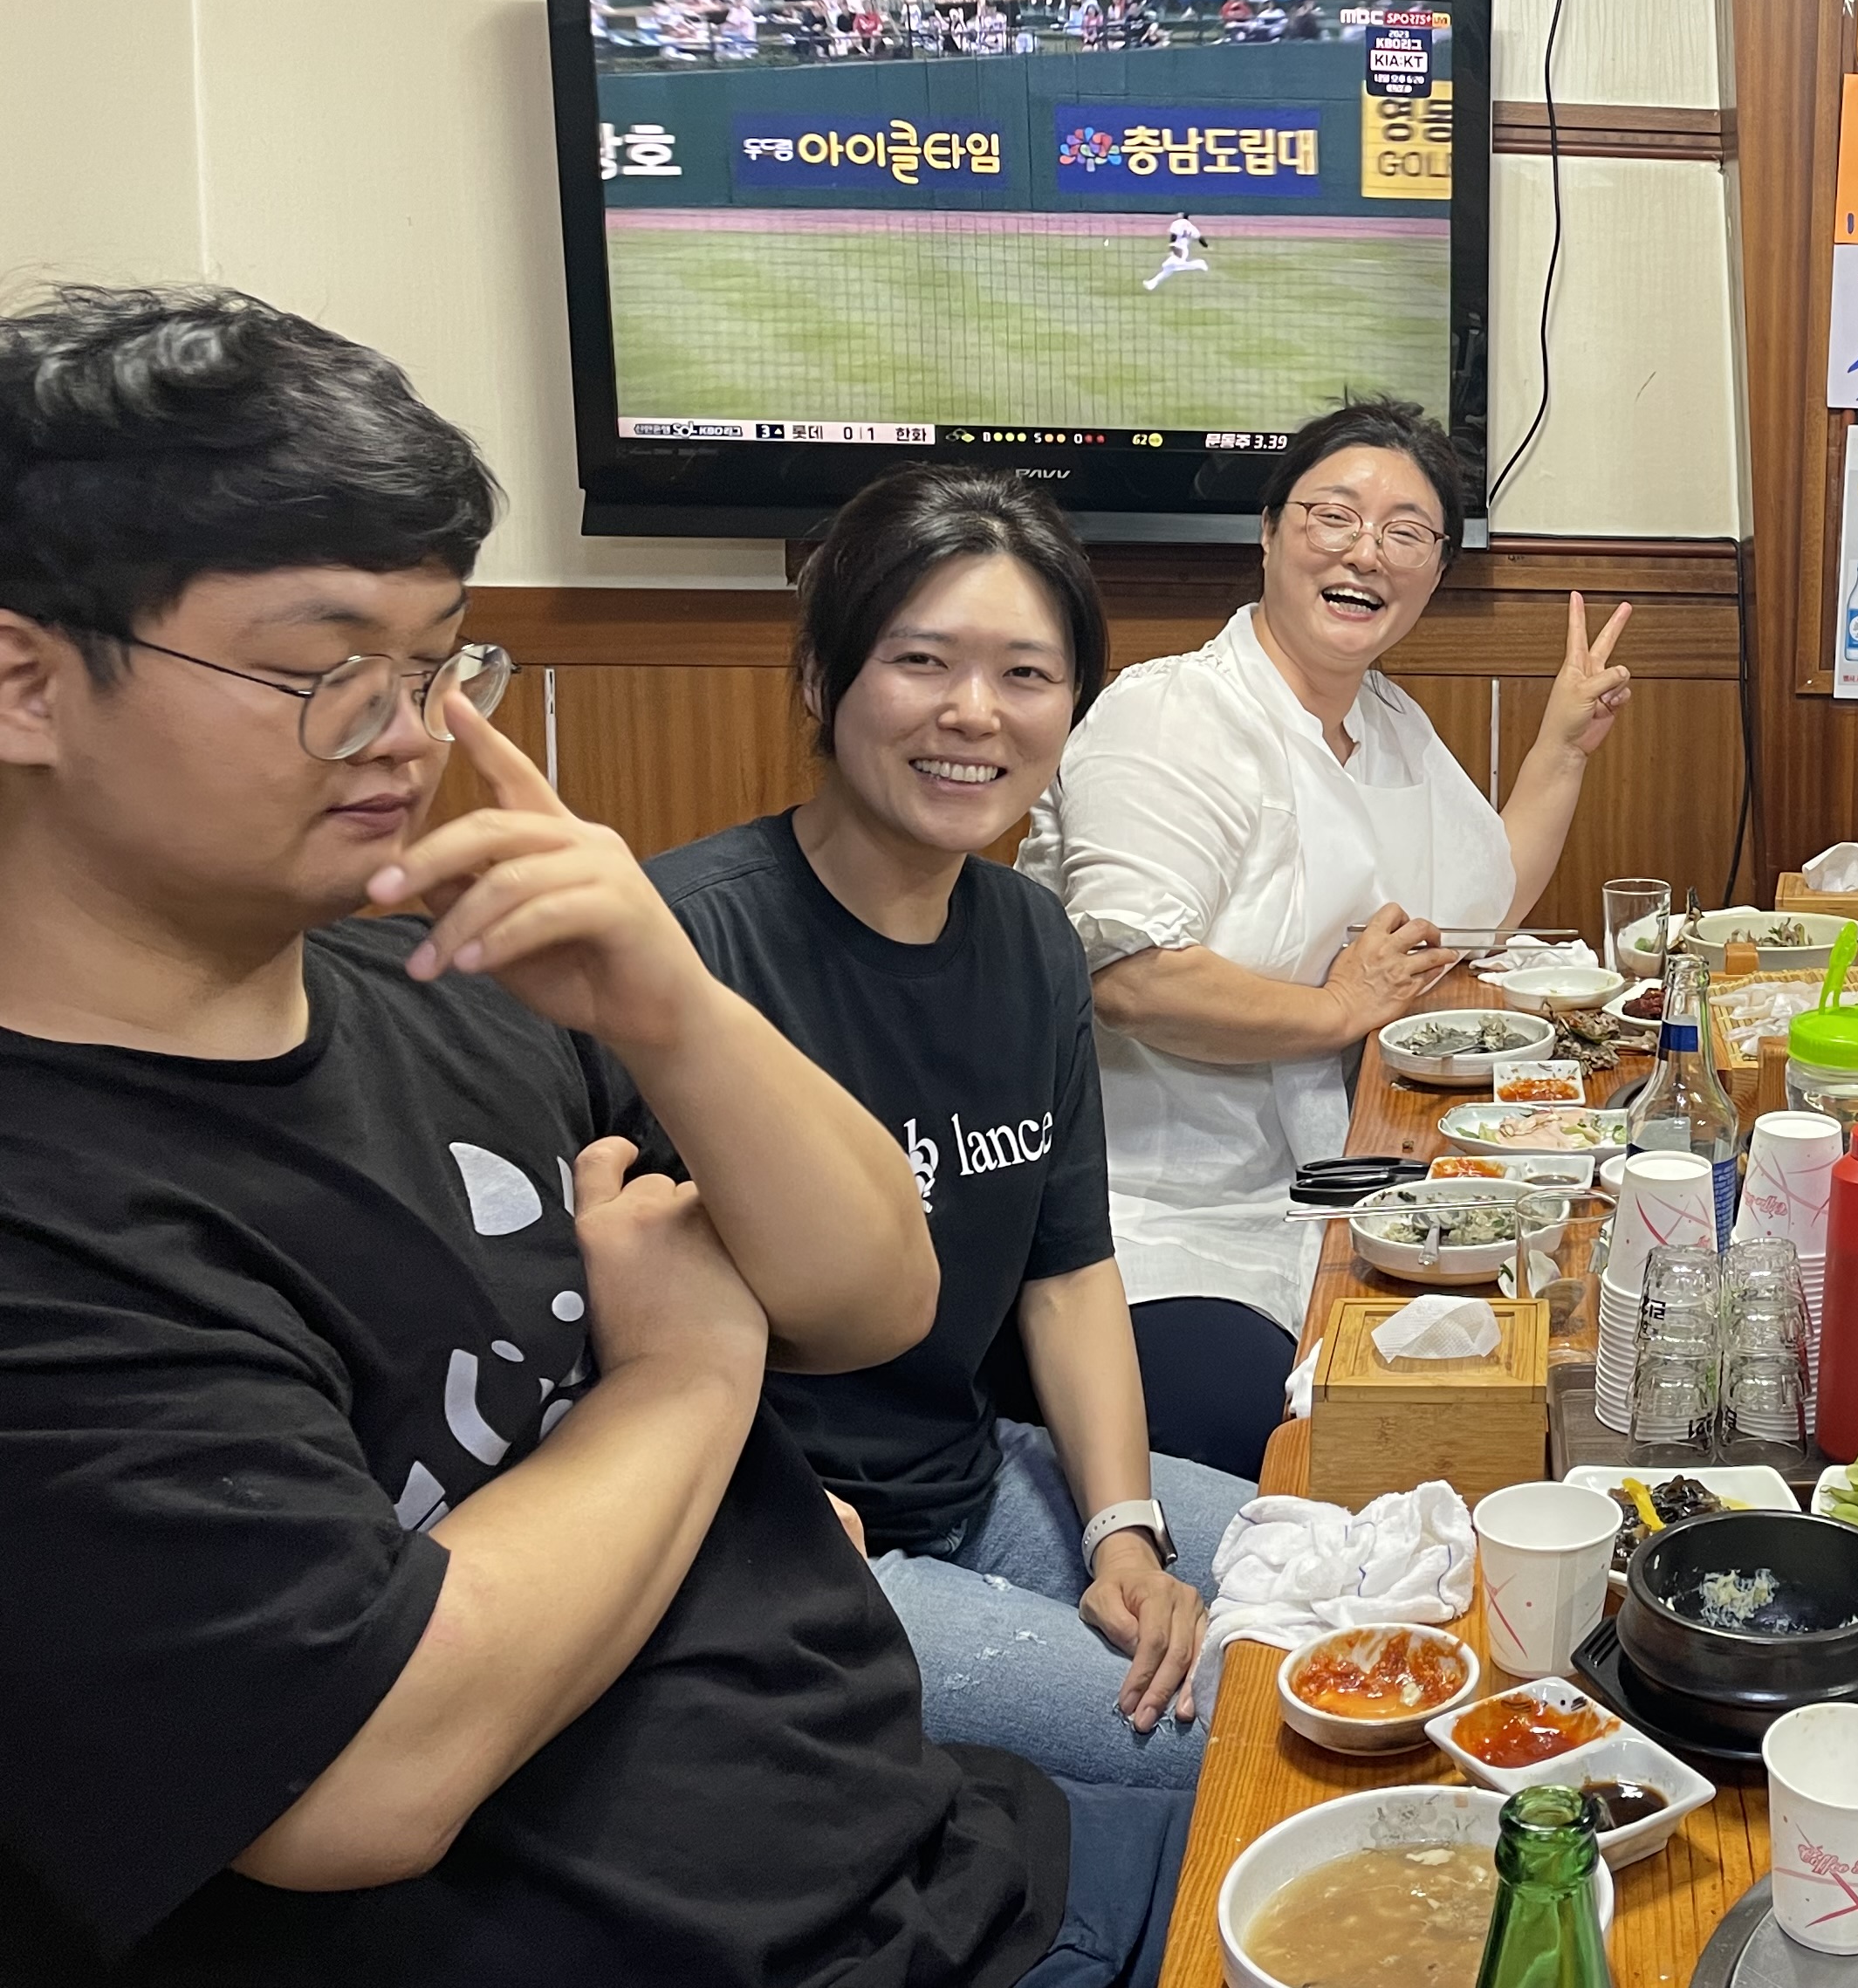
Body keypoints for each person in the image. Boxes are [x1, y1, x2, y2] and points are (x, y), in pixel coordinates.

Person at [0, 286, 1179, 1987]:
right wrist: (688, 1372)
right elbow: (361, 1772)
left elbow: (873, 1293)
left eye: (435, 664)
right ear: (27, 684)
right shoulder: (56, 1202)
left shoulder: (464, 987)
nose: (409, 734)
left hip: (914, 1841)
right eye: (322, 670)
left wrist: (671, 1004)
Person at [645, 466, 1249, 1805]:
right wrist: (740, 1510)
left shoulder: (1032, 937)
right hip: (778, 1546)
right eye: (921, 661)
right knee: (1244, 1738)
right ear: (823, 679)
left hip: (974, 1476)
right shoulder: (681, 949)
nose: (974, 712)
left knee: (1358, 1600)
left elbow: (1068, 1270)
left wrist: (1124, 1532)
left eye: (1026, 675)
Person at [1021, 398, 1635, 1477]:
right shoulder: (1170, 715)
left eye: (1407, 532)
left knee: (1540, 1370)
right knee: (1304, 1441)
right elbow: (1131, 979)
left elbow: (1480, 901)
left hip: (1342, 1192)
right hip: (1154, 1221)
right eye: (1335, 516)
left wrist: (1562, 748)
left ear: (1435, 572)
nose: (1367, 552)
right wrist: (1341, 1008)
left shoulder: (1389, 723)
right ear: (1269, 533)